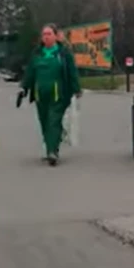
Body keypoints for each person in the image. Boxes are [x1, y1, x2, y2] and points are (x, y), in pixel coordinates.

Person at [16, 23, 81, 166]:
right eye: (44, 34)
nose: (46, 37)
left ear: (56, 36)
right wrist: (23, 88)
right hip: (40, 95)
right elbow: (30, 73)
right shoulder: (37, 53)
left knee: (53, 121)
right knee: (44, 122)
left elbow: (72, 72)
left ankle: (53, 151)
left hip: (58, 94)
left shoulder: (63, 54)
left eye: (49, 34)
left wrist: (76, 89)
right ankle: (50, 148)